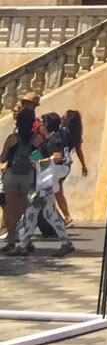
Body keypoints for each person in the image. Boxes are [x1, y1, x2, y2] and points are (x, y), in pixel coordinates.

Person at [1, 105, 38, 254]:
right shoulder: (37, 138)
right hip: (27, 176)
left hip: (11, 175)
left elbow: (3, 157)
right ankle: (26, 240)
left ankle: (11, 241)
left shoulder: (12, 138)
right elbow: (41, 155)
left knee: (10, 210)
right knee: (26, 210)